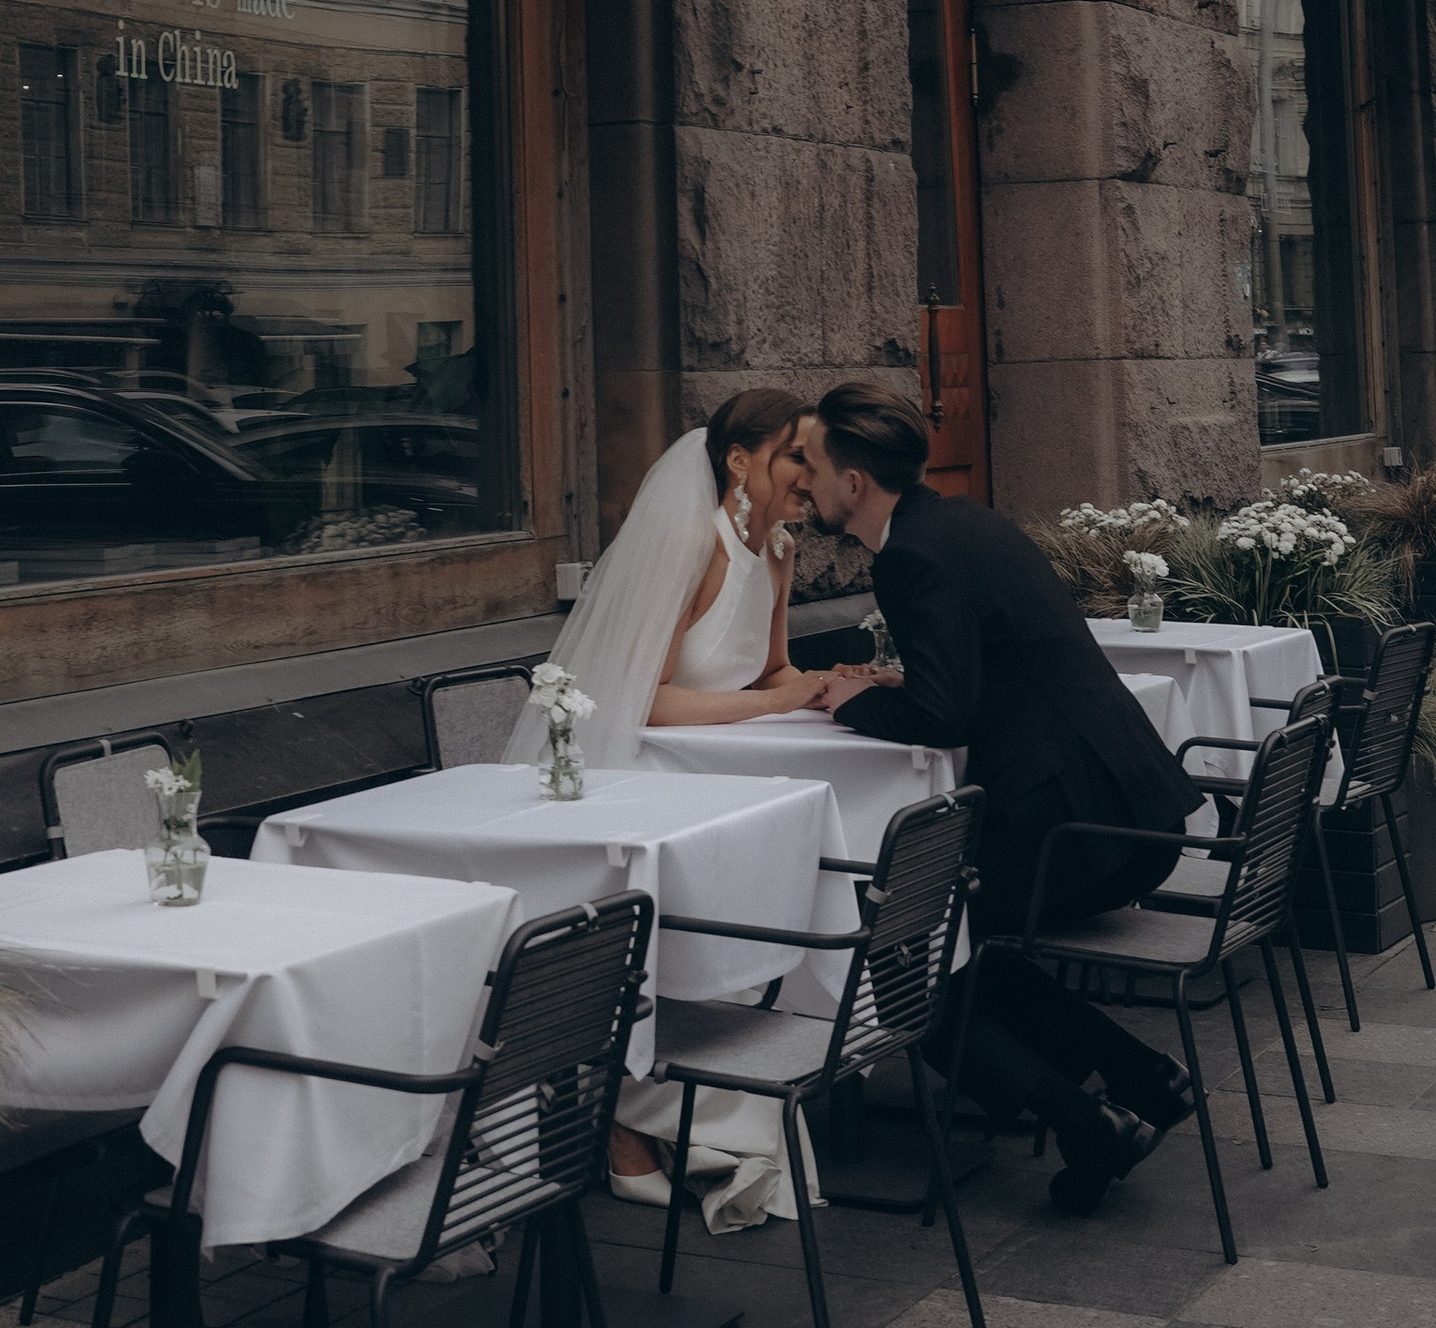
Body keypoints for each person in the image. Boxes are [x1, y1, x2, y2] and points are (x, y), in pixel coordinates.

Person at [799, 383, 1202, 1214]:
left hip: (1080, 828)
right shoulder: (963, 521)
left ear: (853, 482)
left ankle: (1087, 1123)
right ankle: (1140, 1077)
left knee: (902, 957)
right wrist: (895, 683)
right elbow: (984, 673)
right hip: (1127, 802)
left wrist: (850, 700)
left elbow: (942, 716)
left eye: (809, 465)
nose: (801, 481)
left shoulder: (910, 557)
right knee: (953, 941)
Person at [503, 389, 827, 1227]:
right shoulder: (693, 543)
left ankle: (655, 1114)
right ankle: (628, 1116)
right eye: (797, 455)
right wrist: (775, 704)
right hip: (641, 783)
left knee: (748, 938)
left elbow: (771, 671)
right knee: (676, 955)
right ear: (740, 461)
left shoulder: (777, 548)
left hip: (718, 788)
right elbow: (643, 698)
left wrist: (835, 688)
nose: (812, 473)